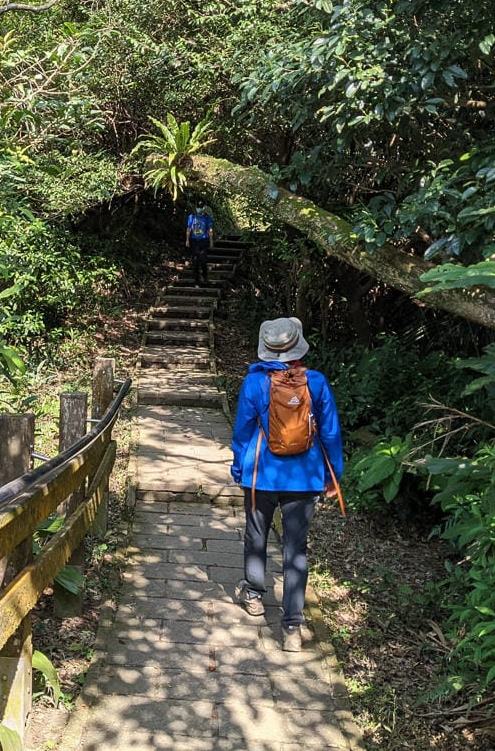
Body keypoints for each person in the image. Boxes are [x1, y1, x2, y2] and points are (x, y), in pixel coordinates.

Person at [229, 316, 343, 652]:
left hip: (260, 475)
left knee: (256, 535)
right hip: (304, 477)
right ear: (298, 346)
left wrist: (239, 468)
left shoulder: (254, 384)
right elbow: (331, 433)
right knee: (296, 549)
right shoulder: (317, 382)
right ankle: (292, 628)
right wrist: (331, 475)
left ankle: (253, 595)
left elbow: (242, 432)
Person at [185, 201, 213, 286]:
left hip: (204, 240)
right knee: (195, 261)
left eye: (200, 207)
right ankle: (196, 280)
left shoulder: (207, 218)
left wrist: (211, 241)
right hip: (194, 241)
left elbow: (210, 230)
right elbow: (189, 229)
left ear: (204, 208)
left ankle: (205, 278)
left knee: (203, 260)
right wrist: (187, 240)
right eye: (198, 206)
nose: (199, 208)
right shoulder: (192, 217)